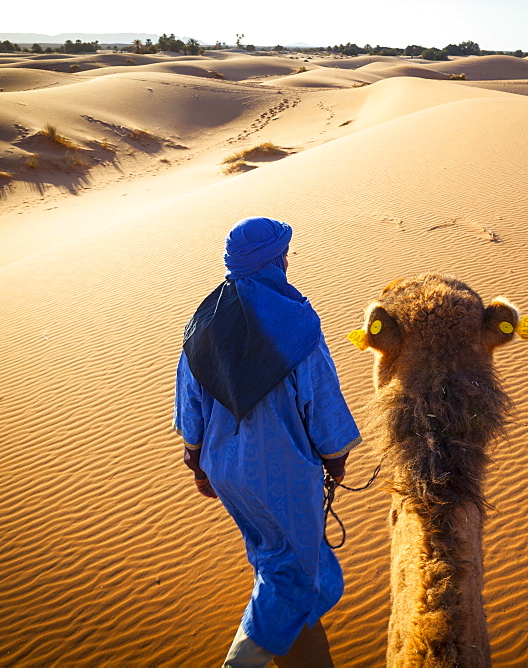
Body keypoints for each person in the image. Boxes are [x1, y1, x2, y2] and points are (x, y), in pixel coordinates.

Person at [173, 216, 361, 667]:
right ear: (274, 261)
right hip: (282, 472)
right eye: (284, 255)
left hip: (225, 471)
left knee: (275, 556)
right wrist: (335, 460)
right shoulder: (296, 323)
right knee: (290, 571)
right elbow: (321, 402)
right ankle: (243, 662)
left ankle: (305, 656)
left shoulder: (202, 323)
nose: (287, 261)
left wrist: (197, 463)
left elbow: (189, 403)